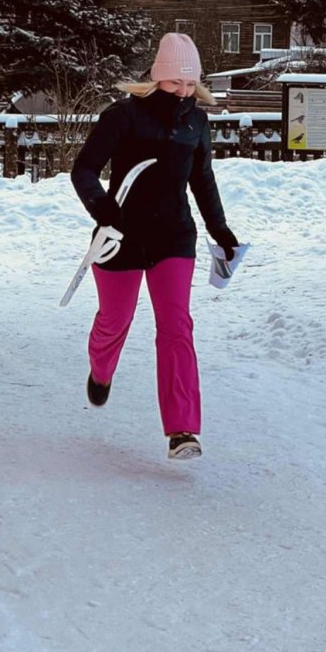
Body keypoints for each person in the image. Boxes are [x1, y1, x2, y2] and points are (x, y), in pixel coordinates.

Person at [71, 32, 239, 460]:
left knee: (177, 325)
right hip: (120, 236)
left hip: (173, 237)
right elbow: (84, 169)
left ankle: (182, 430)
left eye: (190, 83)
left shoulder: (196, 123)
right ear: (157, 77)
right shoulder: (123, 116)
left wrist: (219, 229)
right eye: (176, 82)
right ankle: (101, 371)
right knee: (115, 319)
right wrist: (102, 208)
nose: (183, 91)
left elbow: (202, 180)